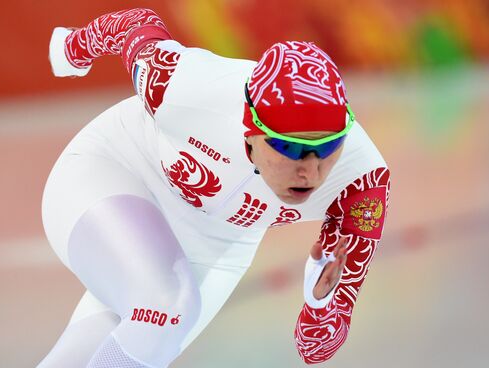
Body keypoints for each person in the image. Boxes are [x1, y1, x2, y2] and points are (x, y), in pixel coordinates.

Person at [38, 8, 390, 368]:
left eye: (329, 147)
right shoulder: (183, 86)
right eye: (290, 147)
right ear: (250, 128)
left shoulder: (361, 182)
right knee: (165, 308)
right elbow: (136, 24)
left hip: (213, 246)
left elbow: (314, 350)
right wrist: (71, 49)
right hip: (118, 171)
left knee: (133, 342)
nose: (311, 171)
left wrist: (321, 303)